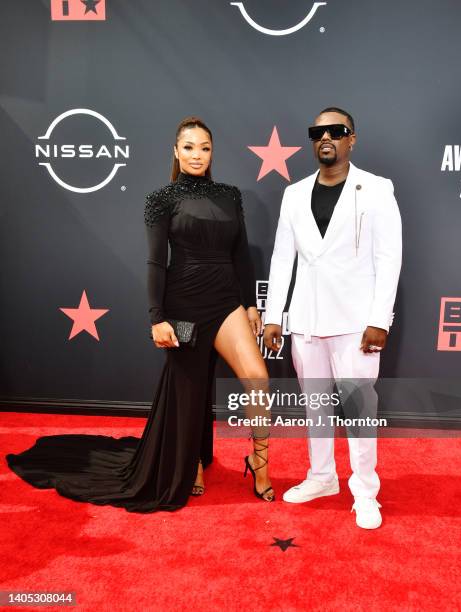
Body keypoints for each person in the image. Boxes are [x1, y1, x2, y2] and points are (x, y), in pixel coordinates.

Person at [6, 116, 274, 512]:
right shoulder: (161, 199)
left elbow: (239, 254)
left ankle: (260, 463)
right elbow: (155, 262)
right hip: (182, 305)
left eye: (204, 147)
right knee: (191, 388)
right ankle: (191, 464)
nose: (197, 155)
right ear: (176, 150)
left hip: (225, 302)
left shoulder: (230, 195)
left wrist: (251, 304)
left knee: (257, 376)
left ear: (212, 152)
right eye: (189, 147)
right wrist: (157, 317)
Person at [263, 107, 402, 529]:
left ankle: (365, 491)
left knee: (359, 408)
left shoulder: (376, 189)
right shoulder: (294, 193)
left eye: (336, 131)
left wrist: (380, 318)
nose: (326, 138)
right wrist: (274, 316)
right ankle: (322, 477)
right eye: (317, 132)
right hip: (306, 320)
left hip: (357, 323)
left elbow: (389, 257)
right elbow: (282, 257)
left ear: (351, 138)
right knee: (316, 407)